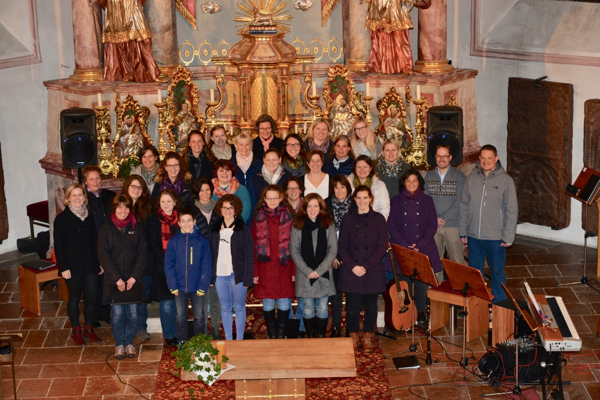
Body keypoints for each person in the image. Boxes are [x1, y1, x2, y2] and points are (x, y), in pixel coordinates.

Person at [460, 145, 518, 303]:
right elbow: (464, 204)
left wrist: (508, 237)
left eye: (489, 158)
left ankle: (499, 306)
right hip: (473, 236)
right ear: (479, 159)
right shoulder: (472, 177)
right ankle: (477, 304)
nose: (486, 161)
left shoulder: (506, 180)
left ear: (496, 159)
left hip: (495, 237)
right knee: (475, 273)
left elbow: (511, 210)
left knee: (497, 273)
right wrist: (463, 231)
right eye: (483, 158)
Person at [337, 186, 388, 353]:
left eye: (365, 198)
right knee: (352, 306)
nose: (362, 201)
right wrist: (353, 266)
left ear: (371, 199)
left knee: (371, 306)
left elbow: (382, 246)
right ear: (354, 200)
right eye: (358, 198)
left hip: (371, 269)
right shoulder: (347, 219)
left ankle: (367, 335)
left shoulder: (379, 219)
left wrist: (365, 266)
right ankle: (353, 335)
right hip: (352, 270)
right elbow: (342, 246)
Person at [388, 169, 442, 322]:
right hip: (402, 246)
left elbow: (432, 225)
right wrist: (404, 244)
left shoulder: (427, 200)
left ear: (419, 183)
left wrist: (421, 243)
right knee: (404, 280)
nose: (411, 183)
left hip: (423, 246)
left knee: (421, 280)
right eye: (408, 180)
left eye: (415, 180)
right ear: (403, 183)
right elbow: (391, 225)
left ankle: (420, 311)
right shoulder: (395, 201)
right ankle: (407, 310)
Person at [98, 195, 147, 359]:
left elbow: (142, 254)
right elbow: (103, 256)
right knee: (117, 314)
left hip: (133, 279)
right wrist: (117, 279)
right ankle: (119, 344)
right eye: (119, 207)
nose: (123, 210)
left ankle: (130, 343)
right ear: (114, 209)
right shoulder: (106, 228)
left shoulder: (137, 228)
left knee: (132, 313)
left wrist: (133, 277)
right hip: (114, 280)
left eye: (126, 207)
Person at [53, 183, 103, 346]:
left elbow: (96, 241)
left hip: (90, 263)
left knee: (92, 297)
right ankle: (76, 330)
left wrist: (99, 262)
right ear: (68, 199)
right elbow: (59, 245)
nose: (77, 198)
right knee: (74, 298)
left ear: (84, 197)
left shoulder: (90, 216)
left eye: (80, 195)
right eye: (73, 195)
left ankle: (89, 328)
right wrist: (64, 267)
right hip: (72, 265)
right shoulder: (61, 219)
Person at [290, 194, 337, 338]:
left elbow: (332, 250)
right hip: (305, 276)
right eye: (309, 206)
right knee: (308, 308)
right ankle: (311, 337)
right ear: (304, 208)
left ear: (321, 207)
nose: (312, 209)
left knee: (323, 307)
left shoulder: (328, 223)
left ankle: (321, 337)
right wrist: (308, 271)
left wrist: (319, 271)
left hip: (324, 275)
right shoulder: (297, 225)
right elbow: (294, 250)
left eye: (315, 206)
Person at [252, 185, 296, 339]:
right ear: (264, 199)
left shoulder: (290, 217)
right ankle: (272, 335)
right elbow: (253, 247)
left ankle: (281, 335)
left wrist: (294, 271)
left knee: (284, 303)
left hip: (285, 266)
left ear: (281, 198)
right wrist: (255, 272)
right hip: (265, 268)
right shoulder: (258, 218)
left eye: (275, 198)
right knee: (268, 303)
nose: (272, 201)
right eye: (269, 198)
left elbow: (295, 247)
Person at [209, 194, 254, 340]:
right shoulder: (214, 228)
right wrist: (211, 276)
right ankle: (229, 339)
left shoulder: (243, 228)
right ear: (220, 209)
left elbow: (249, 254)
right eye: (225, 207)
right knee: (225, 307)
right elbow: (210, 254)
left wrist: (248, 278)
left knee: (240, 307)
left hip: (238, 275)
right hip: (220, 275)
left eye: (231, 208)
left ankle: (239, 340)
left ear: (236, 210)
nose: (227, 211)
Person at [165, 208, 212, 344]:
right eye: (183, 221)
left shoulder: (202, 241)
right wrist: (173, 285)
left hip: (198, 287)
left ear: (194, 222)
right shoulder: (173, 242)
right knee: (180, 316)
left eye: (189, 221)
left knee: (199, 315)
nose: (186, 224)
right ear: (178, 223)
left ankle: (199, 342)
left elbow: (206, 265)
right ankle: (182, 341)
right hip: (179, 287)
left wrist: (203, 286)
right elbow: (169, 265)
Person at [122, 175, 155, 340]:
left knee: (142, 295)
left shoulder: (148, 208)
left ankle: (141, 327)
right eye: (133, 186)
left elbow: (151, 237)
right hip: (125, 259)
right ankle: (128, 327)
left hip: (144, 259)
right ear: (127, 187)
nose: (136, 190)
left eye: (139, 187)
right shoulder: (120, 207)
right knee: (127, 295)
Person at [83, 165, 116, 327]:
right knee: (94, 283)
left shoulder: (109, 196)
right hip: (92, 246)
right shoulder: (83, 199)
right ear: (85, 181)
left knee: (108, 280)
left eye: (97, 178)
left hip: (110, 244)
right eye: (91, 179)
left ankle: (105, 312)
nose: (95, 181)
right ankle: (93, 315)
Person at [147, 190, 179, 346]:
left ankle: (181, 332)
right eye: (162, 202)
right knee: (166, 304)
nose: (166, 204)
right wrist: (168, 261)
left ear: (175, 202)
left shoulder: (182, 219)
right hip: (162, 267)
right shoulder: (153, 221)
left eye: (169, 201)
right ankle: (170, 335)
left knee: (179, 303)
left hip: (181, 267)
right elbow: (153, 245)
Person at [424, 145, 466, 265]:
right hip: (433, 226)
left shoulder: (459, 176)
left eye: (445, 156)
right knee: (434, 262)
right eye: (439, 156)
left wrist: (444, 218)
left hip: (452, 225)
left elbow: (460, 201)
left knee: (457, 262)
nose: (441, 159)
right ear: (435, 157)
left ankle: (457, 285)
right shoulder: (429, 176)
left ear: (450, 157)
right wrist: (434, 218)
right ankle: (437, 285)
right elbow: (426, 201)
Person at [191, 177, 222, 340]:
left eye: (207, 189)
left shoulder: (218, 209)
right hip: (197, 261)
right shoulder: (191, 210)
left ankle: (215, 328)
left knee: (215, 297)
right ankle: (202, 330)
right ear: (196, 192)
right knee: (200, 299)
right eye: (201, 190)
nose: (205, 193)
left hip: (217, 258)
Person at [325, 175, 356, 337]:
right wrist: (332, 257)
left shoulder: (355, 205)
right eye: (336, 187)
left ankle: (351, 328)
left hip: (351, 256)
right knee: (335, 293)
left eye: (342, 187)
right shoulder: (326, 204)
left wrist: (347, 258)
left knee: (351, 293)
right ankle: (336, 327)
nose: (339, 190)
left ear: (348, 189)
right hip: (332, 255)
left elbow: (357, 235)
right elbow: (323, 234)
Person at [100, 0, 160, 82]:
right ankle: (124, 72)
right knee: (118, 35)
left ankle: (147, 72)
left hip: (132, 3)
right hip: (115, 3)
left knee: (141, 35)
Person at [365, 0, 430, 74]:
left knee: (400, 35)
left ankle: (404, 64)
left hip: (396, 5)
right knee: (380, 33)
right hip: (379, 4)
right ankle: (381, 63)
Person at [348, 155, 390, 219]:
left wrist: (378, 224)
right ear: (355, 168)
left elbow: (384, 208)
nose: (362, 170)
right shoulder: (347, 185)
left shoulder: (380, 185)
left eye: (365, 167)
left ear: (370, 168)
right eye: (359, 167)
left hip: (374, 225)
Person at [231, 132, 262, 208]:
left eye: (247, 144)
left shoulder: (259, 164)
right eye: (241, 144)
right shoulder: (230, 165)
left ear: (251, 147)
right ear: (236, 146)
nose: (244, 147)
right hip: (235, 203)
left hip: (255, 203)